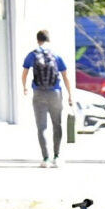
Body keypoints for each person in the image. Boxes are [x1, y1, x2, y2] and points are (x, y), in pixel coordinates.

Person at [21, 29, 73, 168]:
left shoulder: (32, 55)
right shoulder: (56, 55)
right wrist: (70, 95)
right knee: (57, 124)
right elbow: (65, 76)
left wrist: (25, 87)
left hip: (38, 93)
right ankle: (57, 156)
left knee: (42, 127)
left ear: (37, 40)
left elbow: (24, 73)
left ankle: (46, 159)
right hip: (55, 93)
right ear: (48, 39)